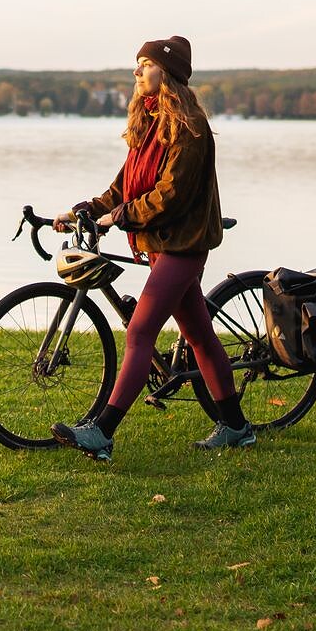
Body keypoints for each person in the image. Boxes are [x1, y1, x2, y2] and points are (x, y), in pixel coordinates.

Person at [50, 35, 251, 461]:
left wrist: (120, 216)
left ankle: (102, 433)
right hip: (159, 243)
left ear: (168, 72)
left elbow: (169, 196)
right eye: (138, 64)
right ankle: (237, 427)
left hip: (184, 245)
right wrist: (84, 209)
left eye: (145, 64)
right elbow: (122, 187)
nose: (137, 71)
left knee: (140, 331)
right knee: (199, 336)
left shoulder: (190, 128)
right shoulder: (148, 120)